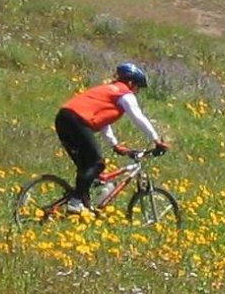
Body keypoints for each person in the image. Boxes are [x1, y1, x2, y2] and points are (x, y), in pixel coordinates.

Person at [54, 62, 169, 212]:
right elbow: (138, 117)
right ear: (131, 82)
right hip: (77, 121)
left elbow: (102, 120)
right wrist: (156, 140)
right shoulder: (124, 93)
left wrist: (114, 144)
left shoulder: (107, 90)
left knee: (86, 166)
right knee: (97, 164)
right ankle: (75, 202)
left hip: (63, 118)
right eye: (137, 87)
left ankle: (80, 201)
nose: (136, 92)